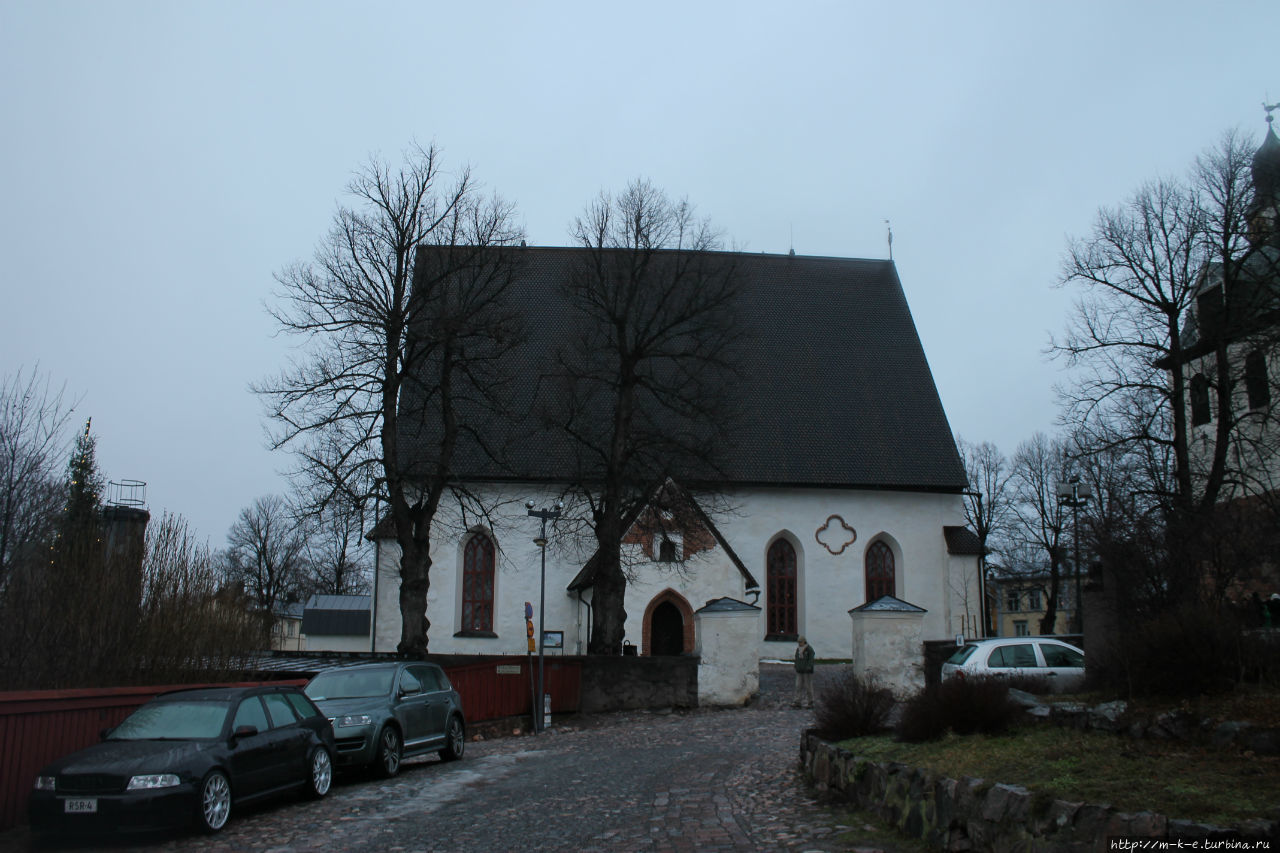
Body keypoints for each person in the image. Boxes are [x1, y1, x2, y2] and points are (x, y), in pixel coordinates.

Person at [793, 636, 816, 709]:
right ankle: (797, 701)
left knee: (808, 686)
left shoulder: (809, 649)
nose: (799, 644)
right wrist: (796, 665)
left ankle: (811, 701)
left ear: (804, 642)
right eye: (798, 642)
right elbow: (796, 658)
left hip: (807, 671)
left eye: (800, 642)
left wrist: (809, 666)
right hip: (799, 670)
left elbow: (811, 659)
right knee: (798, 686)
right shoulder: (798, 649)